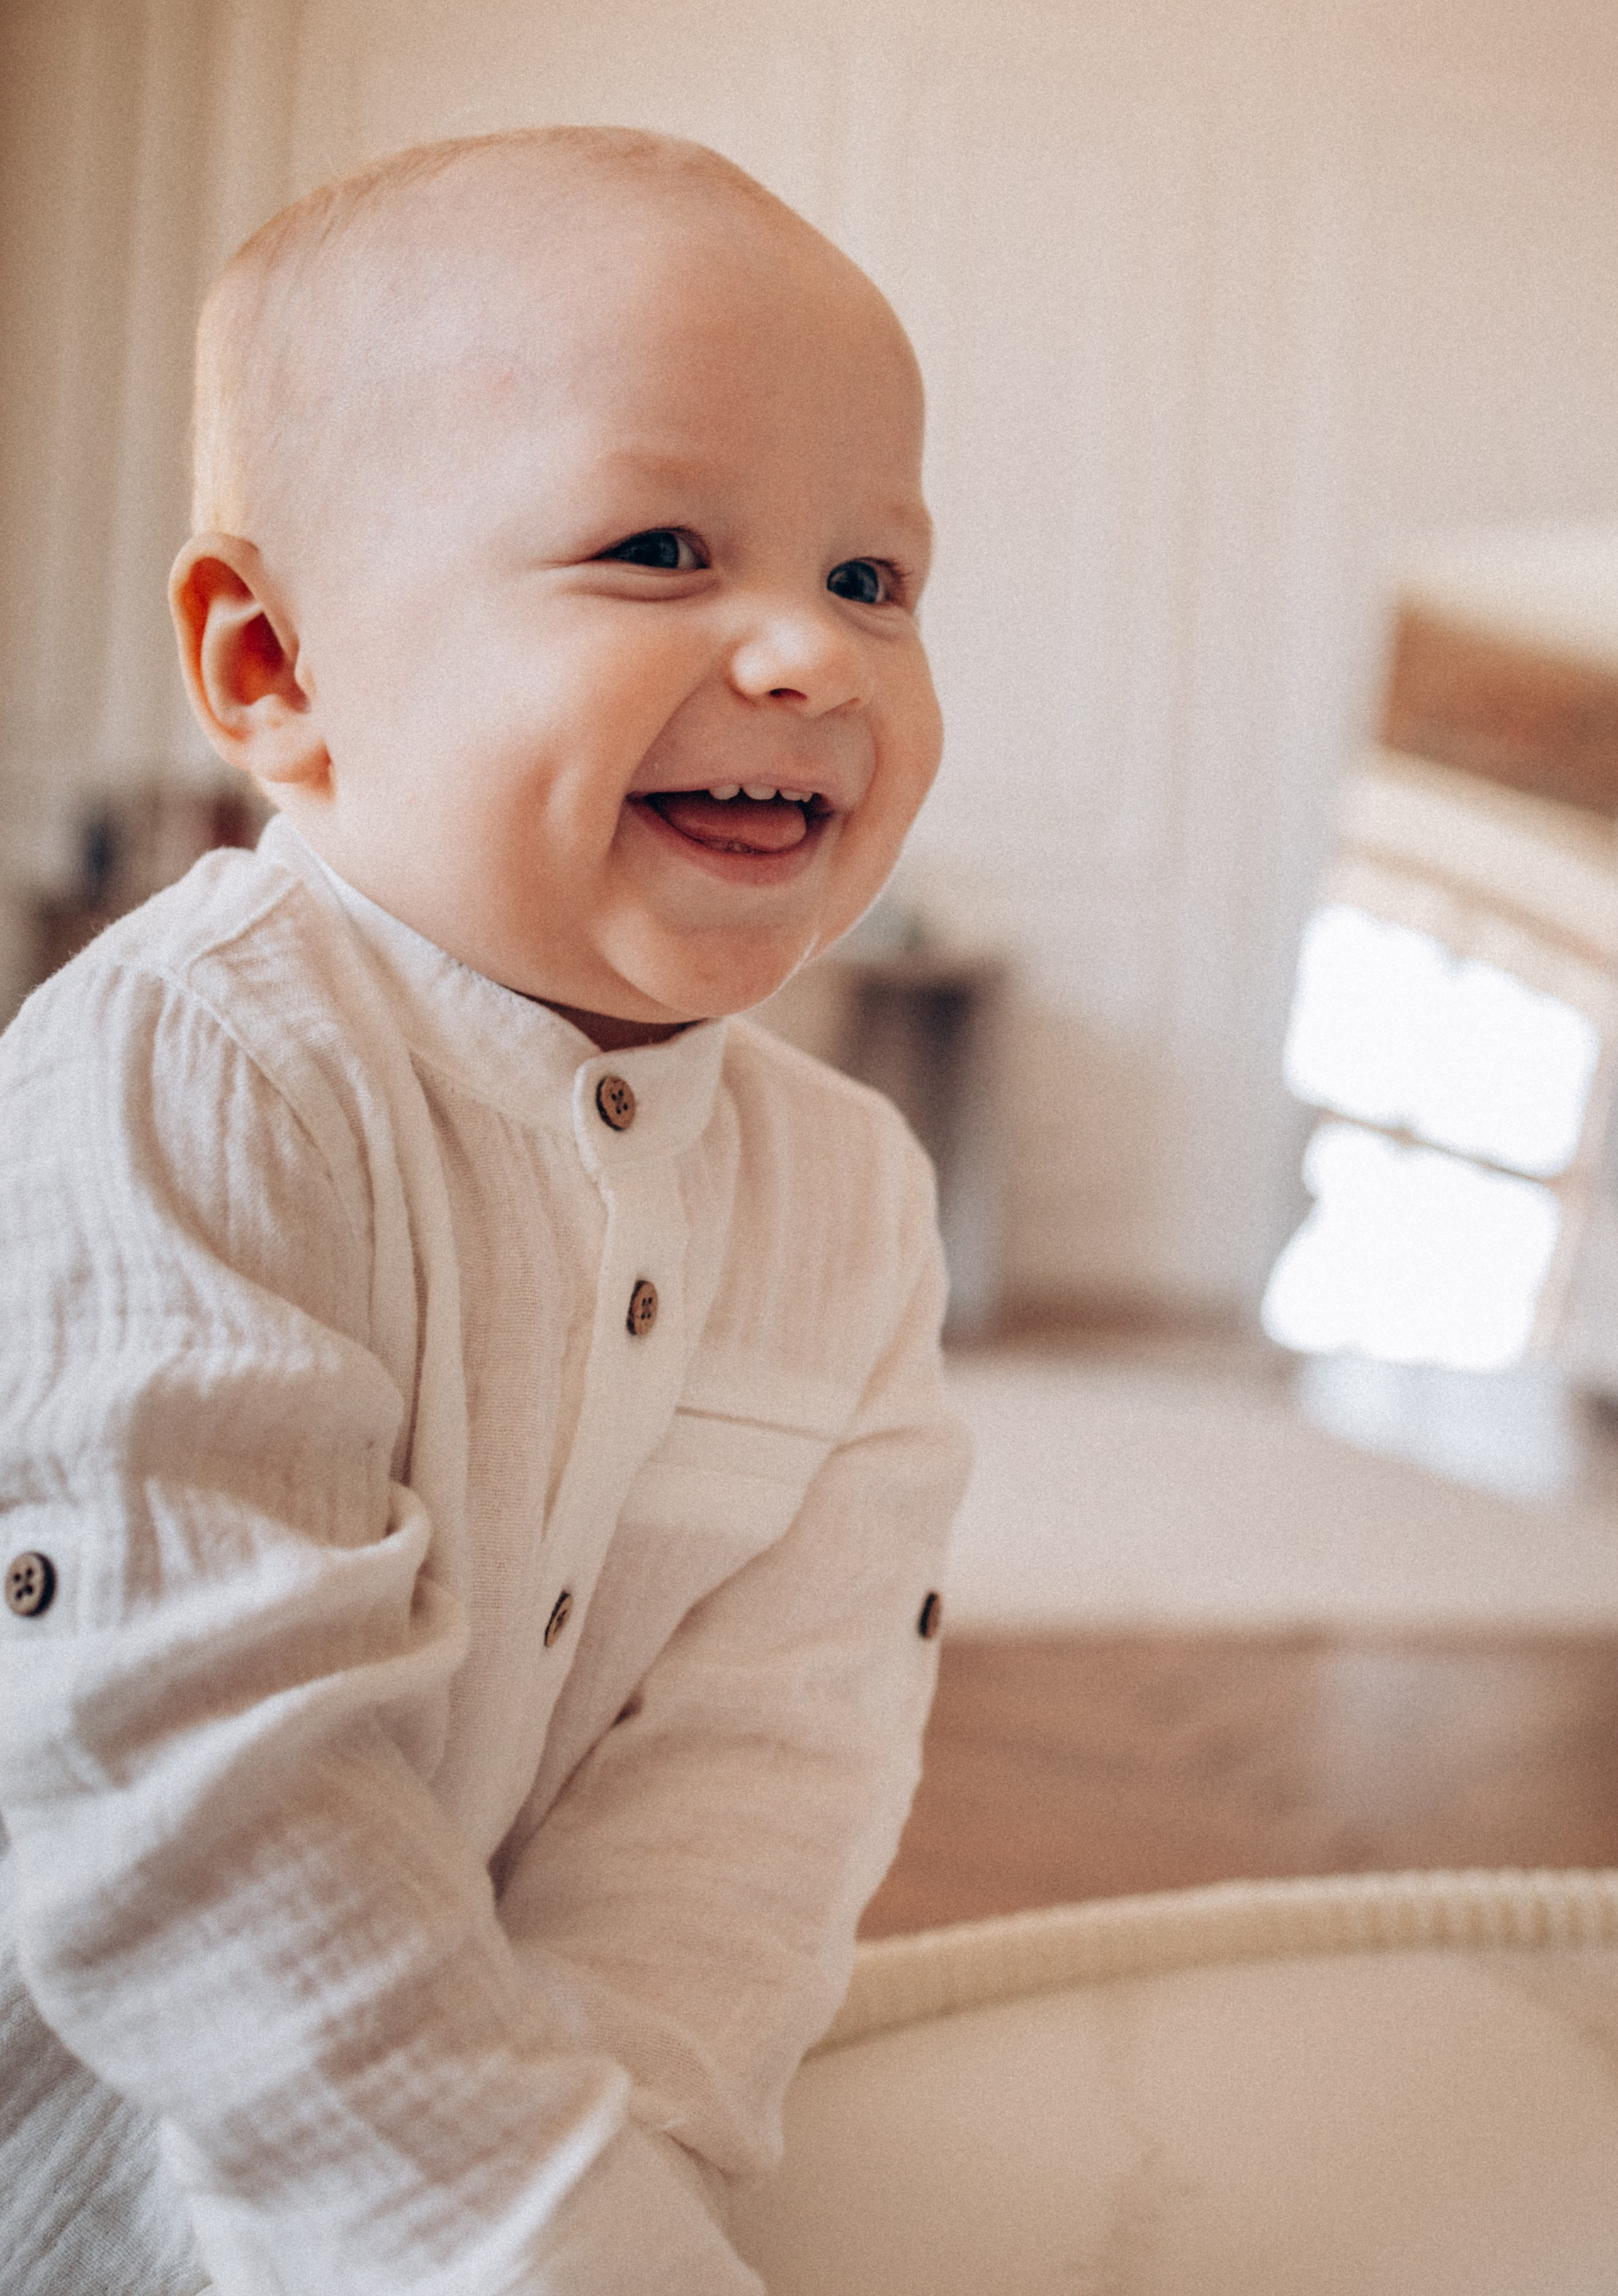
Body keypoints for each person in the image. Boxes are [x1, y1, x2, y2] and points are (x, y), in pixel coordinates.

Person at [0, 127, 970, 2296]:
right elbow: (197, 1782)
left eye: (873, 578)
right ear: (272, 667)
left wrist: (626, 2177)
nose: (809, 655)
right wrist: (510, 2231)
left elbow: (764, 1771)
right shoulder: (197, 1071)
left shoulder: (853, 1206)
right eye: (656, 546)